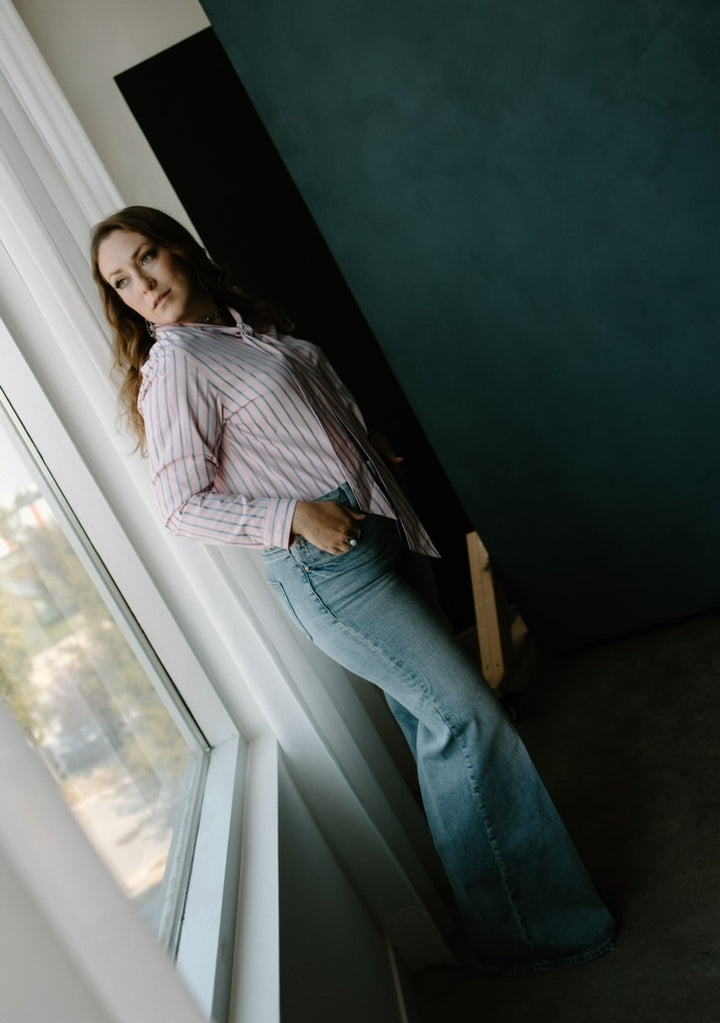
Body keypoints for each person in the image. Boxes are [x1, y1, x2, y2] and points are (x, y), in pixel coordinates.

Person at [90, 205, 616, 974]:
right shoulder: (176, 365)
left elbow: (290, 423)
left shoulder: (241, 328)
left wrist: (363, 449)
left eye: (147, 258)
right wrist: (295, 512)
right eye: (120, 280)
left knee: (439, 729)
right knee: (466, 719)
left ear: (179, 250)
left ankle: (510, 915)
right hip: (331, 570)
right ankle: (539, 929)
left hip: (378, 527)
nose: (141, 283)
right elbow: (179, 504)